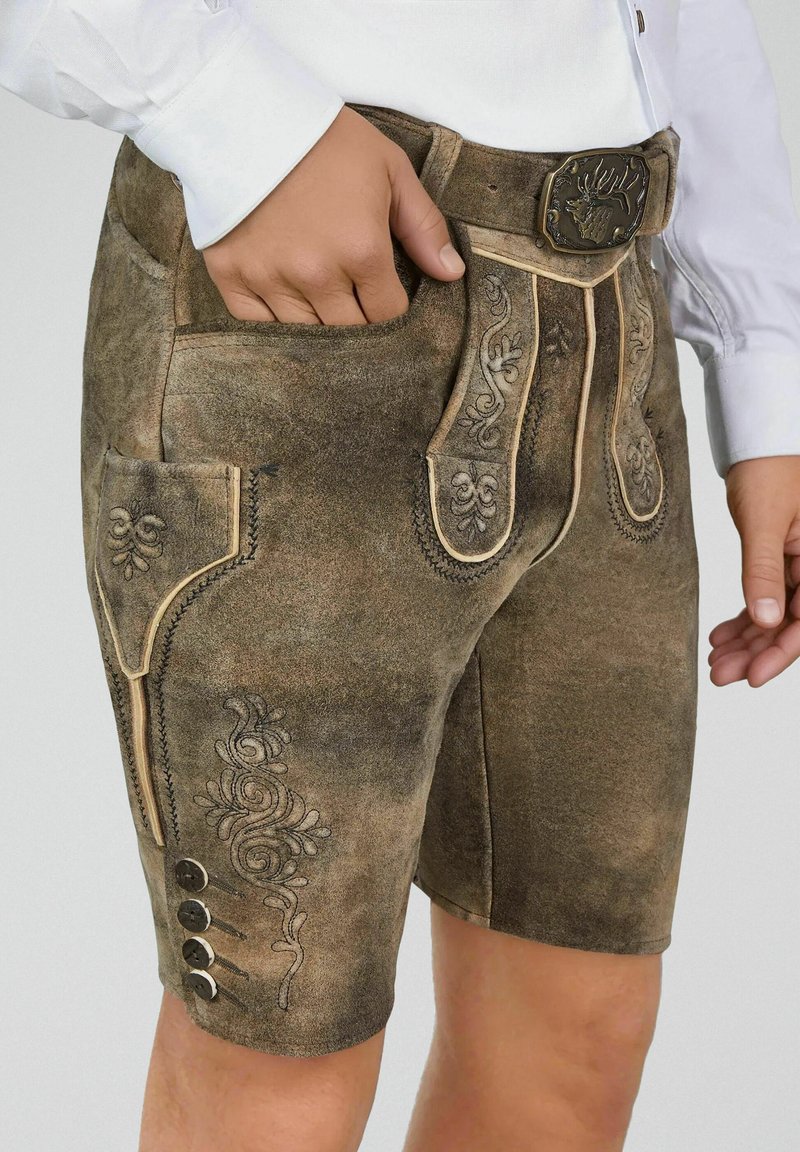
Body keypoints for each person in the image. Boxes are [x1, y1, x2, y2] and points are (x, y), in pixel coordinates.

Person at [2, 3, 799, 1150]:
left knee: (581, 1022)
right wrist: (219, 107)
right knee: (280, 1061)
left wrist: (765, 367)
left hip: (611, 322)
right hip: (304, 319)